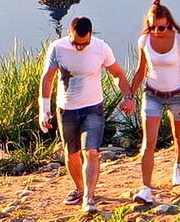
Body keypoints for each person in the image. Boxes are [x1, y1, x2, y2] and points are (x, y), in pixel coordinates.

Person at [39, 16, 136, 213]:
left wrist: (128, 96)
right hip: (66, 108)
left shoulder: (101, 48)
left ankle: (89, 198)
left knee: (90, 152)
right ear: (69, 33)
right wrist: (44, 108)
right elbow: (47, 78)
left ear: (91, 35)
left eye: (85, 44)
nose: (80, 47)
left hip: (93, 108)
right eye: (76, 43)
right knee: (71, 154)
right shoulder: (57, 48)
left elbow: (116, 73)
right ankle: (79, 188)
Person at [130, 0, 180, 205]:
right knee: (149, 142)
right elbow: (141, 71)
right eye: (152, 27)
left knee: (179, 135)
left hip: (176, 94)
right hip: (152, 94)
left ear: (169, 23)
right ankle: (146, 188)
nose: (156, 31)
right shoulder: (144, 41)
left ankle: (179, 166)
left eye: (161, 28)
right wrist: (129, 95)